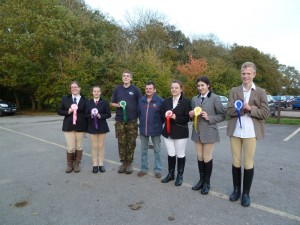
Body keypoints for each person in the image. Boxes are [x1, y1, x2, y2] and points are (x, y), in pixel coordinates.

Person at [227, 62, 269, 207]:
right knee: (236, 162)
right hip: (235, 132)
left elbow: (265, 113)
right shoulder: (234, 90)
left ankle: (246, 193)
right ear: (241, 74)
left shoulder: (261, 92)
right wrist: (242, 110)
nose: (246, 76)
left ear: (254, 74)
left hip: (251, 132)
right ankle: (236, 190)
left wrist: (250, 108)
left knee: (249, 163)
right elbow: (229, 111)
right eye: (243, 73)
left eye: (248, 73)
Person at [189, 76, 226, 194]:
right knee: (199, 156)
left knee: (206, 157)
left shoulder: (215, 98)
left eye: (202, 85)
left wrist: (209, 118)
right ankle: (201, 181)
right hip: (197, 131)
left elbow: (222, 115)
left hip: (209, 131)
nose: (200, 88)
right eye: (198, 86)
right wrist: (191, 114)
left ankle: (207, 182)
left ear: (208, 85)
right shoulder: (195, 99)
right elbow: (193, 115)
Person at [160, 80, 192, 186]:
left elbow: (187, 118)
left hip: (180, 132)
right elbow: (161, 114)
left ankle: (180, 175)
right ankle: (171, 174)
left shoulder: (186, 102)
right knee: (171, 153)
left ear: (181, 89)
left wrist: (175, 117)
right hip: (167, 132)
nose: (174, 89)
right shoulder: (166, 101)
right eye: (172, 87)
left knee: (180, 154)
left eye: (176, 88)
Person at [111, 70, 142, 174]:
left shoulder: (135, 89)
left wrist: (138, 116)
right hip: (120, 120)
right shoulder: (117, 89)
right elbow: (112, 103)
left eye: (128, 76)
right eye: (124, 76)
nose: (125, 77)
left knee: (131, 142)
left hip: (132, 120)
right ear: (122, 78)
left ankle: (129, 163)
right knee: (121, 142)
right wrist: (118, 105)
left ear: (131, 78)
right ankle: (123, 163)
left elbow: (140, 103)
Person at [58, 81, 87, 173]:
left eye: (76, 87)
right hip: (68, 126)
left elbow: (87, 113)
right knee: (70, 147)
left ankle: (77, 163)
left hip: (81, 126)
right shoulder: (65, 98)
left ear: (79, 88)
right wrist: (68, 111)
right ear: (70, 89)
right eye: (72, 87)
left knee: (79, 146)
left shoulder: (85, 100)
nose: (74, 88)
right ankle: (70, 164)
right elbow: (59, 110)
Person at [137, 81, 164, 178]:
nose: (148, 90)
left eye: (150, 88)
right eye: (147, 88)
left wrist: (158, 125)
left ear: (154, 90)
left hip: (156, 130)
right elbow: (138, 113)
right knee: (143, 150)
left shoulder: (160, 101)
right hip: (144, 129)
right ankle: (144, 169)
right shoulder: (141, 100)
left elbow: (163, 116)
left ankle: (158, 170)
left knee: (157, 150)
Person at [85, 85, 111, 173]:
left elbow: (109, 114)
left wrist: (100, 116)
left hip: (102, 126)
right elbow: (86, 115)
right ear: (92, 92)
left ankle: (101, 164)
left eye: (98, 91)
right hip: (92, 126)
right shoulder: (88, 103)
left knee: (101, 146)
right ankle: (95, 164)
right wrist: (91, 115)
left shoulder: (105, 102)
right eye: (94, 91)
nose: (96, 93)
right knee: (94, 146)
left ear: (100, 92)